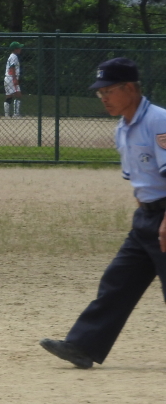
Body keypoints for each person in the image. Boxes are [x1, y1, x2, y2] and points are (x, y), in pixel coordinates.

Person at [40, 57, 166, 369]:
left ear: (130, 89)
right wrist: (146, 217)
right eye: (101, 93)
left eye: (109, 91)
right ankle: (83, 346)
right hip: (146, 220)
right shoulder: (122, 129)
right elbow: (139, 182)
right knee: (118, 281)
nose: (103, 98)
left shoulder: (159, 121)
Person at [4, 41, 24, 118]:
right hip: (11, 78)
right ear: (15, 49)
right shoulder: (14, 56)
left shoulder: (11, 56)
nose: (20, 49)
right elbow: (12, 67)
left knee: (9, 96)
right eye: (19, 48)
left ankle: (7, 114)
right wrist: (15, 79)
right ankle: (16, 114)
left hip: (7, 78)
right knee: (18, 95)